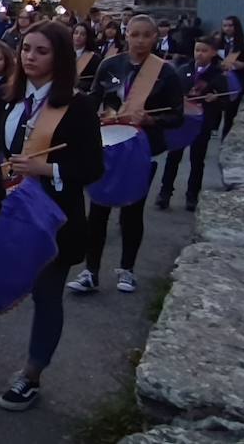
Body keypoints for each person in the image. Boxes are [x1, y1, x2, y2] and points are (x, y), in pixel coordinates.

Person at [0, 21, 104, 412]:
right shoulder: (8, 98)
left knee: (47, 296)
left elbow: (92, 167)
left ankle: (31, 375)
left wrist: (47, 169)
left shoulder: (77, 106)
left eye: (41, 51)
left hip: (52, 216)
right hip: (2, 211)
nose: (30, 56)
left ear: (59, 58)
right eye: (26, 48)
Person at [69, 15, 183, 296]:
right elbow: (94, 99)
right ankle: (90, 271)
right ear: (126, 35)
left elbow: (177, 115)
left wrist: (151, 120)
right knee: (97, 210)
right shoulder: (110, 65)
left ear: (155, 37)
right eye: (135, 34)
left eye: (147, 35)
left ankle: (127, 270)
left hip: (140, 147)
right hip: (107, 145)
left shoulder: (165, 72)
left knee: (132, 211)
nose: (140, 40)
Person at [156, 35, 230, 212]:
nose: (200, 54)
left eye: (204, 50)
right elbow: (171, 94)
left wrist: (215, 99)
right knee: (173, 157)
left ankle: (192, 196)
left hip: (202, 122)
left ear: (213, 52)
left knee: (197, 160)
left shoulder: (218, 75)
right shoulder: (183, 70)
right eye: (197, 50)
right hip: (182, 120)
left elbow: (226, 101)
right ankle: (165, 193)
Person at [218, 16, 244, 139]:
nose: (227, 28)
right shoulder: (217, 43)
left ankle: (226, 140)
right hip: (219, 83)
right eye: (225, 25)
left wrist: (243, 66)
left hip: (236, 83)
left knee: (231, 116)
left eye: (230, 25)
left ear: (236, 27)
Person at [72, 23, 102, 93]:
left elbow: (94, 82)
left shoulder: (94, 58)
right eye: (76, 33)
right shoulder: (64, 53)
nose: (78, 36)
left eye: (82, 34)